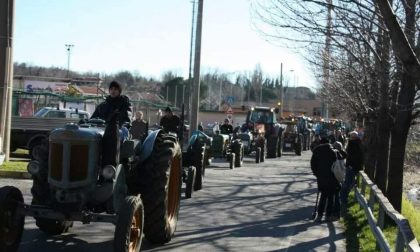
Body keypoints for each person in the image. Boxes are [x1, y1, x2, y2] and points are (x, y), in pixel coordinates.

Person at [311, 137, 341, 222]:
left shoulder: (317, 150)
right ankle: (328, 215)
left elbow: (313, 164)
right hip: (332, 177)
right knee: (331, 197)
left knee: (323, 195)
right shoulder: (333, 151)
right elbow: (339, 162)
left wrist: (317, 174)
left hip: (321, 177)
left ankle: (319, 214)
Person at [340, 131, 364, 213]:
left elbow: (352, 156)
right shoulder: (359, 144)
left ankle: (343, 200)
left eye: (350, 137)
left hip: (352, 167)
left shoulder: (353, 144)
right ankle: (344, 199)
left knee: (347, 184)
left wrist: (349, 165)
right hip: (355, 167)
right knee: (350, 183)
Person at [332, 141, 347, 220]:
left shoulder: (333, 154)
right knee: (337, 196)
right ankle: (337, 214)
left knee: (332, 196)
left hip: (333, 177)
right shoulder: (343, 155)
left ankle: (332, 212)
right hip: (340, 177)